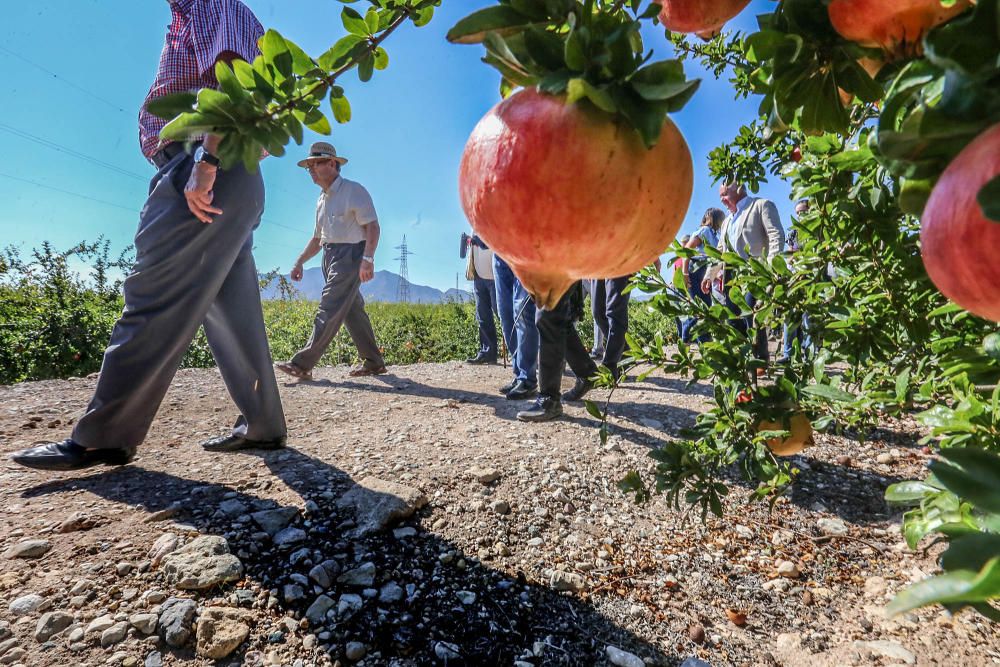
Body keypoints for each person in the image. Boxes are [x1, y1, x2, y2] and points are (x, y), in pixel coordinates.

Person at [10, 0, 287, 470]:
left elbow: (234, 79)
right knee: (230, 307)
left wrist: (206, 161)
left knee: (152, 293)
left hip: (205, 166)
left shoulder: (212, 4)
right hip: (224, 172)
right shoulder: (192, 14)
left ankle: (104, 436)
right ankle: (263, 424)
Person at [276, 143, 387, 382]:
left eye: (316, 163)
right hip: (330, 256)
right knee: (352, 311)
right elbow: (318, 238)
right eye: (309, 165)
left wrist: (368, 259)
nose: (311, 169)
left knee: (330, 306)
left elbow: (373, 226)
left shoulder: (353, 191)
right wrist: (299, 262)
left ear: (333, 164)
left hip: (350, 256)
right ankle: (374, 362)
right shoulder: (321, 200)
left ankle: (302, 364)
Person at [702, 182, 785, 368]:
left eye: (724, 194)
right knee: (733, 318)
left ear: (739, 189)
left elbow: (776, 235)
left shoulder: (761, 205)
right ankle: (741, 361)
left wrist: (772, 268)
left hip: (756, 272)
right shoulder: (726, 222)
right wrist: (710, 274)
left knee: (751, 313)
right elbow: (720, 250)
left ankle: (761, 360)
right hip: (731, 275)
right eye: (720, 196)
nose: (721, 199)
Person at [517, 282, 598, 422]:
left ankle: (549, 400)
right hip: (559, 263)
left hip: (560, 262)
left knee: (547, 315)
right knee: (557, 317)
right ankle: (587, 373)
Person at [494, 254, 538, 399]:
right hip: (498, 252)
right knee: (505, 313)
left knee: (522, 311)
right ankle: (519, 373)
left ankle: (527, 379)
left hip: (522, 247)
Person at [680, 209, 725, 343]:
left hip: (704, 273)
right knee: (701, 309)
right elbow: (687, 250)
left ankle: (700, 340)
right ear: (715, 218)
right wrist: (685, 273)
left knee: (705, 308)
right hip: (695, 271)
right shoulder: (704, 231)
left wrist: (715, 275)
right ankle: (690, 337)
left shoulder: (714, 234)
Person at [591, 271, 636, 382]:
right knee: (598, 313)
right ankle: (625, 353)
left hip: (621, 261)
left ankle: (609, 366)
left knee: (615, 313)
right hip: (598, 263)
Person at [466, 235, 499, 364]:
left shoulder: (493, 218)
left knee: (504, 317)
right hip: (479, 275)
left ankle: (522, 356)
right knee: (483, 317)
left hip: (495, 275)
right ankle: (488, 353)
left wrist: (477, 240)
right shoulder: (473, 224)